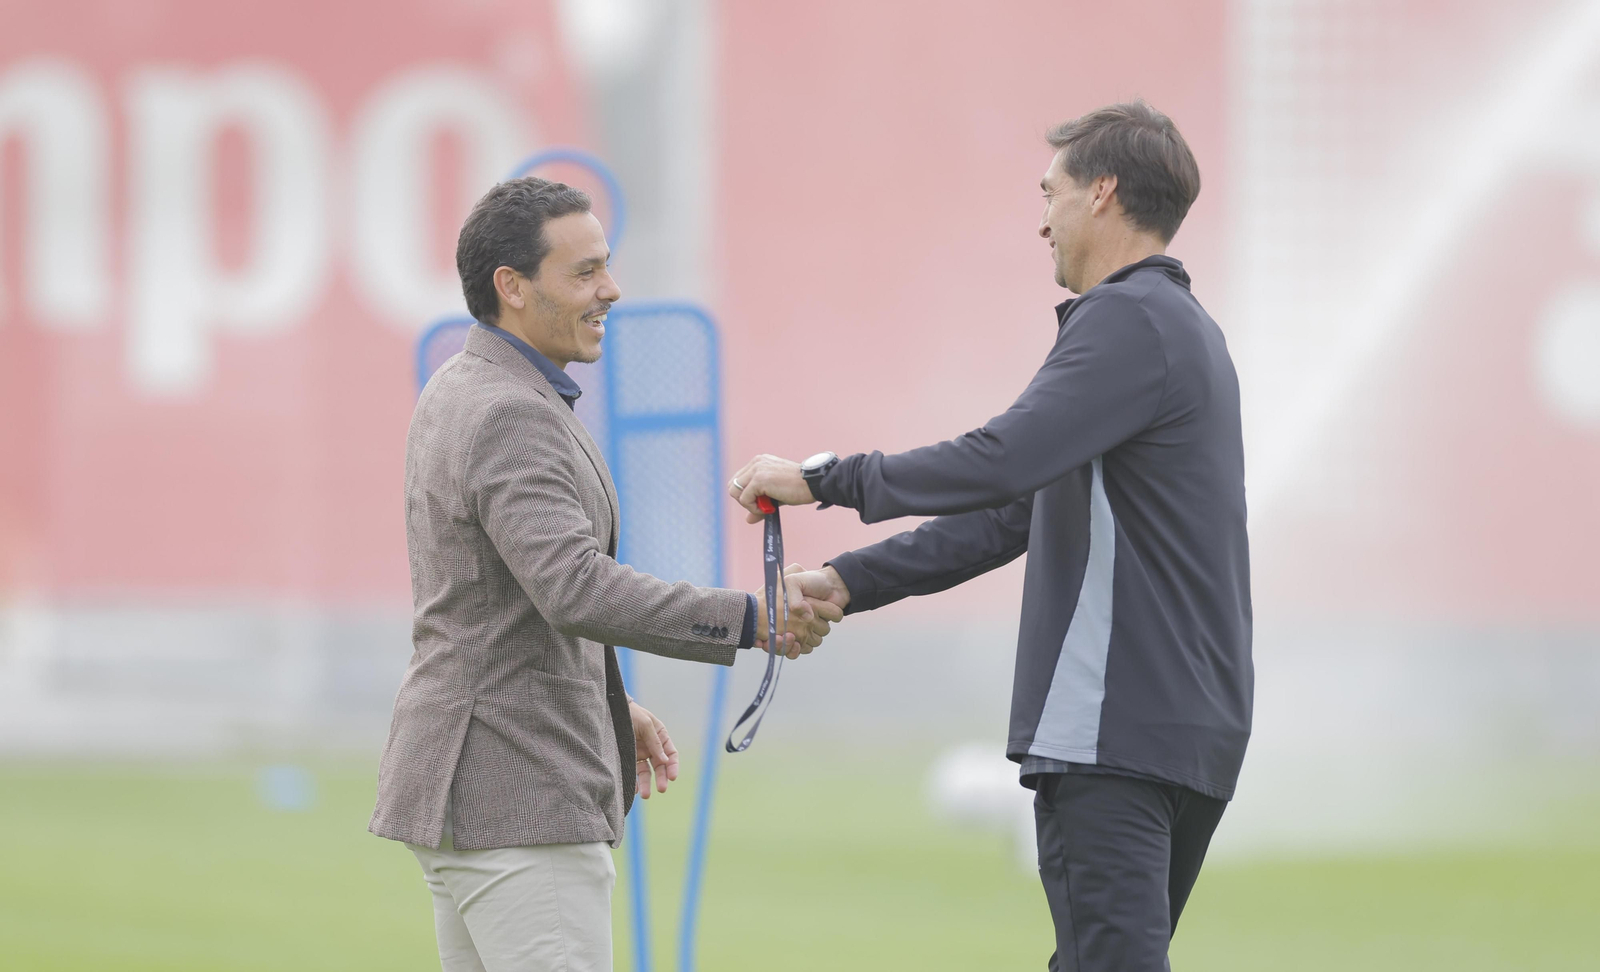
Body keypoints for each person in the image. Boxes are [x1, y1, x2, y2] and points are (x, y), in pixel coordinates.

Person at [727, 101, 1251, 972]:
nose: (1039, 219)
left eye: (1050, 193)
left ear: (1103, 193)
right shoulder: (1183, 329)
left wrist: (825, 478)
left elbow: (1002, 460)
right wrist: (855, 580)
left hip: (1109, 728)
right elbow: (1017, 511)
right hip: (1184, 729)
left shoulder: (1128, 320)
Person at [370, 176, 838, 972]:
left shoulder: (464, 386)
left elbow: (497, 605)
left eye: (605, 267)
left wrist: (610, 703)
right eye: (583, 272)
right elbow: (573, 587)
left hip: (475, 793)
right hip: (520, 801)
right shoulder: (507, 410)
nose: (610, 291)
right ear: (511, 288)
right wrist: (757, 617)